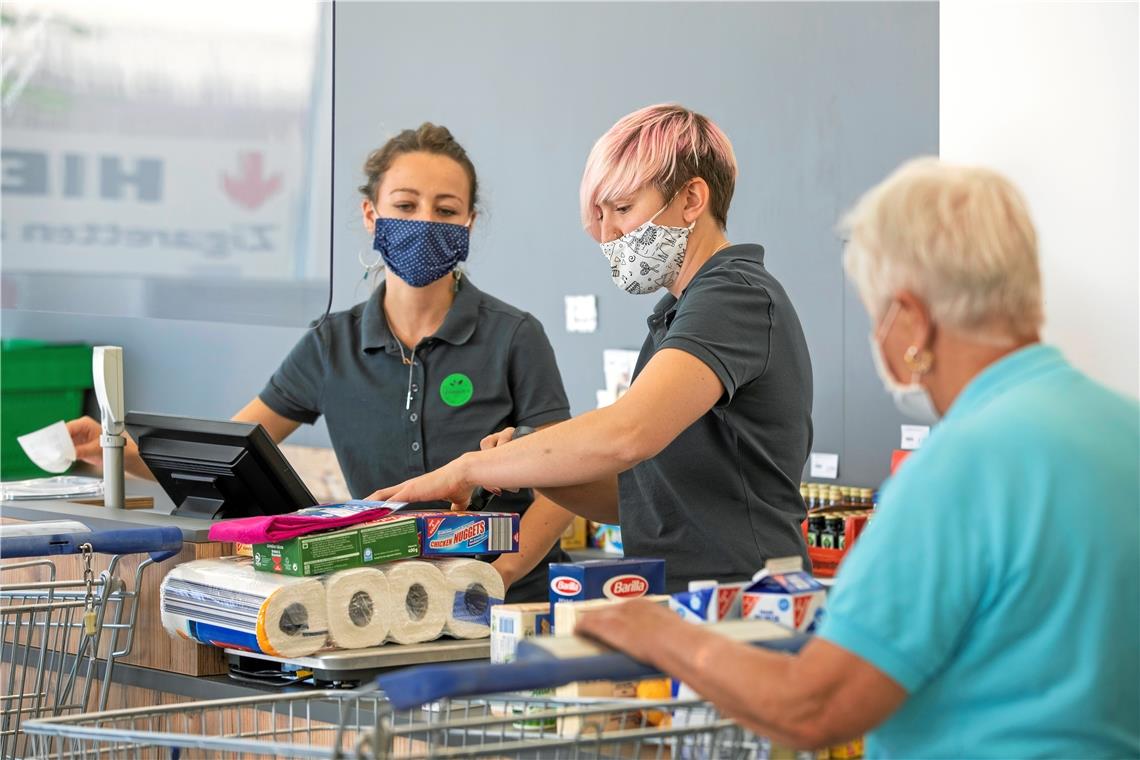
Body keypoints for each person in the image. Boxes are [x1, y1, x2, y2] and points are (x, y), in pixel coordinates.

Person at [574, 158, 1140, 758]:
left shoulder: (956, 473)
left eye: (877, 313)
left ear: (912, 319)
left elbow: (815, 705)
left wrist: (665, 636)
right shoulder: (1122, 429)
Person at [66, 123, 574, 603]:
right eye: (405, 204)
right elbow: (223, 458)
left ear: (469, 222)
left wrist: (495, 578)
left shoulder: (514, 336)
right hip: (387, 600)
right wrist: (114, 452)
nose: (424, 222)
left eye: (445, 210)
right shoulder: (331, 344)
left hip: (513, 602)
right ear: (371, 215)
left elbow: (566, 476)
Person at [371, 104, 815, 592]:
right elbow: (635, 500)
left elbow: (627, 433)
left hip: (746, 601)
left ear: (691, 198)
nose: (608, 237)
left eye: (623, 210)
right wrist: (528, 462)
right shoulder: (677, 316)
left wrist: (470, 467)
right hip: (683, 601)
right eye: (601, 219)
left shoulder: (735, 295)